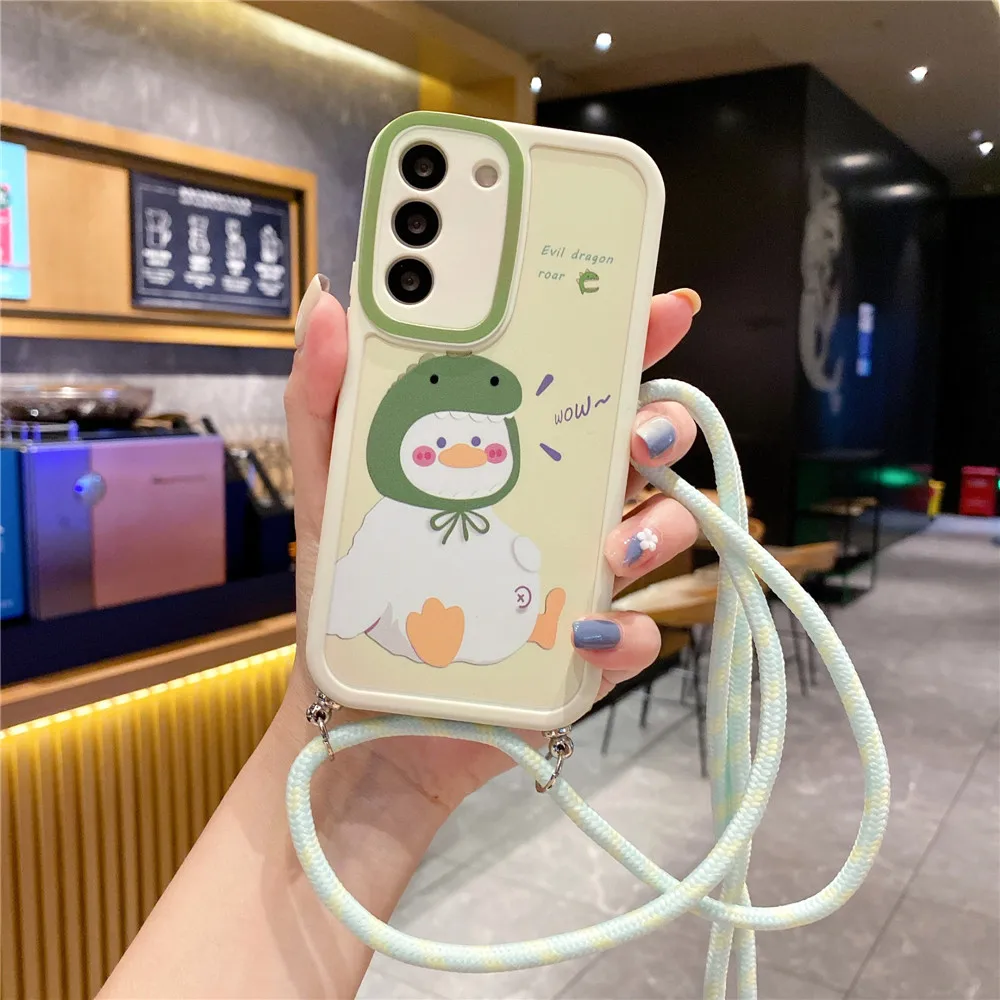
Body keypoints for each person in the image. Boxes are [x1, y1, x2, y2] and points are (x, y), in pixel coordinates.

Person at [99, 282, 702, 998]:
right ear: (398, 450)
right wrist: (346, 671)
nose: (466, 458)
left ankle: (526, 623)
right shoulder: (385, 519)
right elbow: (358, 582)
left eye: (484, 445)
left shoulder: (495, 519)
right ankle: (465, 633)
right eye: (441, 444)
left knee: (521, 579)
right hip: (392, 668)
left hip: (493, 638)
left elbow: (516, 553)